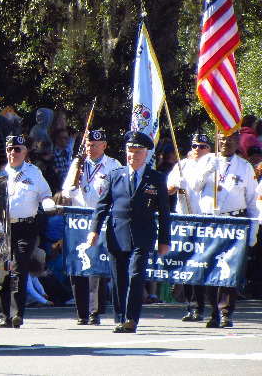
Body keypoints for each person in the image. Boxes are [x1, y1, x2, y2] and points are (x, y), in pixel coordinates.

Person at [87, 131, 171, 333]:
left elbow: (164, 212)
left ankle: (131, 318)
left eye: (137, 152)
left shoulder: (156, 178)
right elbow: (102, 205)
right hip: (117, 234)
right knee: (119, 279)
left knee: (135, 276)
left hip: (142, 235)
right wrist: (94, 229)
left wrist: (164, 240)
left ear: (145, 154)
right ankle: (120, 318)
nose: (132, 156)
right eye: (130, 151)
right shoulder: (115, 175)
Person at [192, 130, 259, 328]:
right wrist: (205, 171)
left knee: (228, 269)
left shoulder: (244, 167)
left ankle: (225, 312)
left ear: (236, 141)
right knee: (210, 268)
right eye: (221, 140)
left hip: (233, 222)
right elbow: (194, 187)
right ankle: (213, 310)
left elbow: (253, 202)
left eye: (229, 140)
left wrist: (253, 230)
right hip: (210, 222)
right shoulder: (206, 161)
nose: (224, 143)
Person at [62, 129, 121, 326]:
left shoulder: (113, 165)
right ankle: (82, 312)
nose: (91, 148)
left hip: (100, 217)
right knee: (78, 264)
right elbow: (65, 190)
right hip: (78, 218)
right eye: (88, 145)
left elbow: (120, 192)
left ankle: (95, 311)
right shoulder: (79, 164)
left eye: (95, 145)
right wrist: (71, 186)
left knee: (95, 265)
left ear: (104, 145)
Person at [0, 134, 52, 329]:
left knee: (20, 268)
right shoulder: (0, 174)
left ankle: (17, 314)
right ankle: (4, 315)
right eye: (10, 149)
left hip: (26, 227)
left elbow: (45, 194)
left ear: (25, 151)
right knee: (3, 271)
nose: (13, 153)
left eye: (17, 149)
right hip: (3, 228)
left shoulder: (33, 172)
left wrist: (48, 204)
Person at [167, 133, 212, 321]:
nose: (197, 150)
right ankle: (191, 305)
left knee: (201, 263)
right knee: (186, 263)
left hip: (204, 219)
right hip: (184, 220)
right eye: (194, 145)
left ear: (209, 149)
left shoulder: (213, 166)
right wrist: (177, 183)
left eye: (202, 146)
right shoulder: (182, 165)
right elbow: (167, 189)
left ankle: (202, 306)